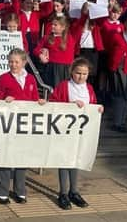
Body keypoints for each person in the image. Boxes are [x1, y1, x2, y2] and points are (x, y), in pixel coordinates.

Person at [0, 48, 46, 204]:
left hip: (24, 125)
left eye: (16, 62)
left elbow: (34, 98)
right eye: (10, 61)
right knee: (5, 157)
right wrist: (4, 102)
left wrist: (40, 102)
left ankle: (20, 190)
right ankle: (1, 190)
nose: (13, 64)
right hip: (7, 124)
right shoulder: (3, 79)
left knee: (22, 157)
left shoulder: (30, 79)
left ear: (23, 62)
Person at [49, 58, 103, 210]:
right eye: (78, 73)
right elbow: (53, 103)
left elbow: (93, 105)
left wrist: (98, 109)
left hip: (81, 131)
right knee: (64, 161)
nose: (81, 76)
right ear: (72, 72)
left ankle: (74, 191)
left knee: (76, 160)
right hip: (65, 130)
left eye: (85, 74)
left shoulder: (89, 88)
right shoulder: (63, 86)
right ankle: (63, 193)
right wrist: (70, 106)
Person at [34, 16, 82, 87]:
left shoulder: (71, 37)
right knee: (53, 90)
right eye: (52, 24)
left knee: (65, 90)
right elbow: (36, 50)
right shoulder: (47, 37)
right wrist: (41, 56)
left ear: (63, 27)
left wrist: (84, 14)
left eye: (55, 25)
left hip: (66, 69)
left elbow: (79, 26)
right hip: (52, 68)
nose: (52, 26)